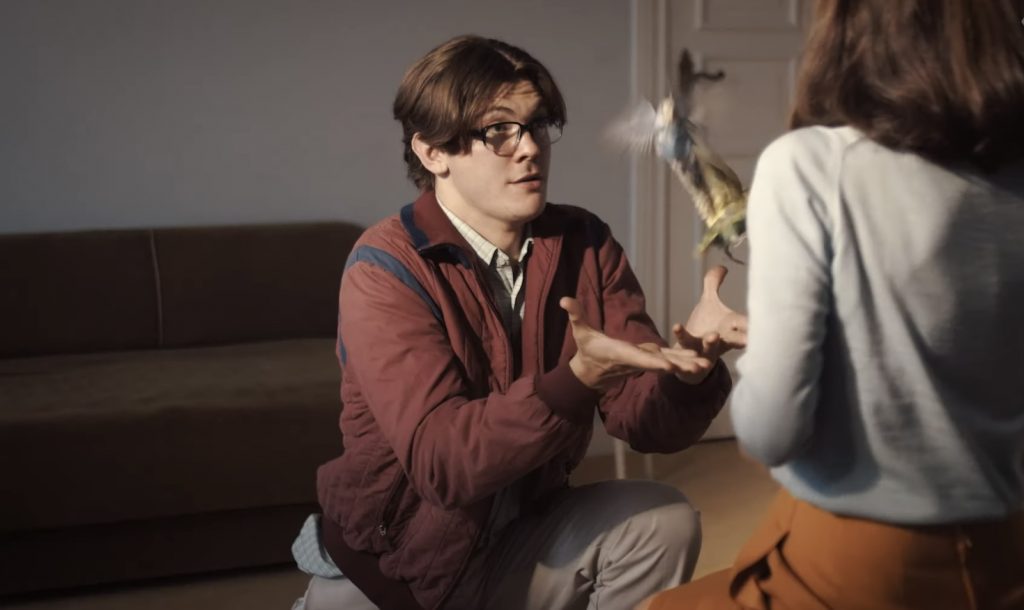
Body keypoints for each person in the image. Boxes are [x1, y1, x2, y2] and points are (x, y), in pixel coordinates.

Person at [291, 35, 746, 610]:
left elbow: (645, 422)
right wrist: (574, 381)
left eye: (536, 126)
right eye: (499, 131)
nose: (529, 148)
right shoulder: (384, 267)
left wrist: (688, 373)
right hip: (394, 573)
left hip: (516, 539)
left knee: (663, 521)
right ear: (433, 152)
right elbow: (442, 465)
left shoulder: (584, 242)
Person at [639, 1, 1024, 609]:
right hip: (1006, 550)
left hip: (867, 564)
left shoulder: (810, 165)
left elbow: (771, 434)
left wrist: (766, 349)